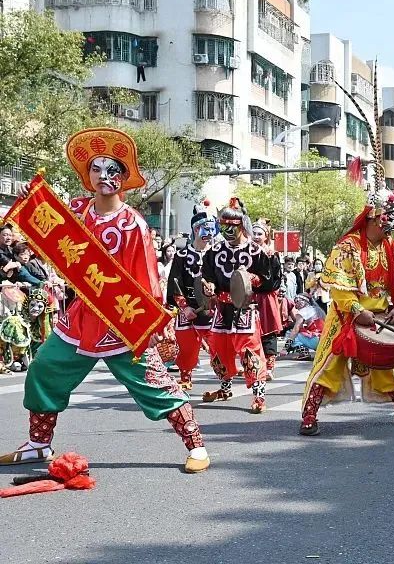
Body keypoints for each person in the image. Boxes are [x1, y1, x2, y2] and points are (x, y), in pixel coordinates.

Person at [0, 127, 208, 473]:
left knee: (154, 383)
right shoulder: (78, 211)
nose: (103, 176)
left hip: (121, 320)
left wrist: (152, 324)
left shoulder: (133, 226)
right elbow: (46, 231)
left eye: (112, 170)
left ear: (124, 178)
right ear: (88, 175)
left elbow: (146, 279)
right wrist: (27, 195)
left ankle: (196, 444)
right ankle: (39, 444)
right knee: (44, 368)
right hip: (81, 317)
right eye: (96, 169)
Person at [299, 180, 394, 436]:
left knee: (388, 364)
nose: (391, 225)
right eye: (387, 219)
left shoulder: (391, 247)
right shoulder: (347, 246)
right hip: (346, 317)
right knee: (330, 363)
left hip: (381, 317)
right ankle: (309, 413)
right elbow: (338, 286)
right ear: (373, 218)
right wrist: (354, 309)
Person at [200, 199, 275, 414]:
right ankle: (225, 387)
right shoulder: (214, 251)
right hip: (222, 308)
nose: (226, 231)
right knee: (218, 349)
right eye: (222, 227)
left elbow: (268, 279)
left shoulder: (256, 251)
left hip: (245, 306)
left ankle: (259, 395)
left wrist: (248, 280)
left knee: (249, 351)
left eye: (230, 228)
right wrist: (209, 286)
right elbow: (207, 275)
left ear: (241, 226)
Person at [165, 201, 217, 391]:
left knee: (219, 344)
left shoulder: (216, 254)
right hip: (188, 306)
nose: (209, 233)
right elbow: (174, 282)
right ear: (196, 230)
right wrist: (184, 306)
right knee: (186, 345)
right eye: (205, 229)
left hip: (212, 307)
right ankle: (185, 376)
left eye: (212, 229)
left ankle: (225, 378)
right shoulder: (182, 255)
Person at [251, 220, 284, 380]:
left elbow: (276, 279)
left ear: (266, 236)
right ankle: (254, 365)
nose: (256, 237)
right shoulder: (246, 253)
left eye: (259, 234)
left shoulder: (272, 254)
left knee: (269, 332)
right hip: (249, 297)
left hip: (266, 297)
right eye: (254, 233)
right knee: (250, 332)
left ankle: (269, 367)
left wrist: (260, 282)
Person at [284, 293, 324, 360]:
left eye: (297, 301)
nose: (295, 305)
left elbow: (296, 329)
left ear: (303, 302)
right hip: (325, 339)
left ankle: (304, 353)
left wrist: (285, 348)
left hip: (317, 340)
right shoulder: (318, 309)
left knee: (291, 334)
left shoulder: (303, 311)